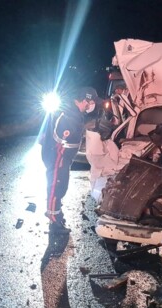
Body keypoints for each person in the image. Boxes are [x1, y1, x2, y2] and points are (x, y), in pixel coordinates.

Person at [40, 87, 98, 234]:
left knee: (61, 186)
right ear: (85, 100)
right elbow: (59, 138)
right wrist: (61, 157)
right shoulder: (67, 113)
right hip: (58, 156)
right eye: (90, 102)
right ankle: (53, 219)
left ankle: (57, 213)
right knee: (56, 186)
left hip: (63, 157)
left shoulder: (75, 113)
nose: (91, 106)